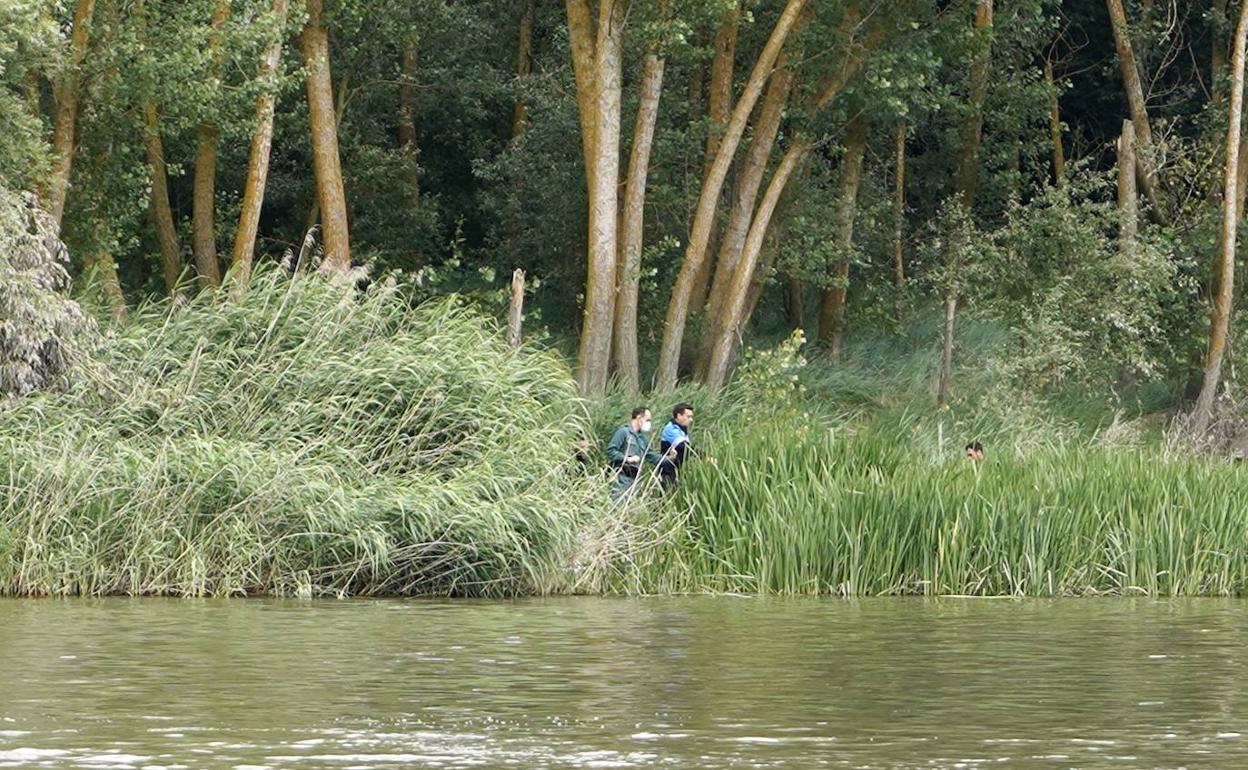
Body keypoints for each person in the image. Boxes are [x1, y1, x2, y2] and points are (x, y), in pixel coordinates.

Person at [606, 406, 665, 502]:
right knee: (617, 505)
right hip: (621, 478)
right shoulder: (623, 432)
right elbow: (611, 451)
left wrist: (670, 458)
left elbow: (650, 455)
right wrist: (627, 459)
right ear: (639, 418)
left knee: (629, 510)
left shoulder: (642, 439)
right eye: (647, 420)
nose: (649, 423)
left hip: (635, 480)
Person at [658, 402, 696, 488]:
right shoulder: (671, 429)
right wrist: (704, 456)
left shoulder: (681, 429)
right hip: (668, 471)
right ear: (679, 416)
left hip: (677, 469)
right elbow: (684, 447)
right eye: (688, 417)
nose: (691, 420)